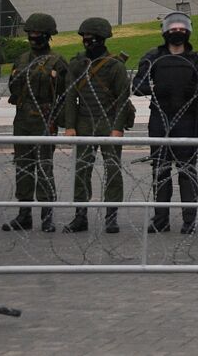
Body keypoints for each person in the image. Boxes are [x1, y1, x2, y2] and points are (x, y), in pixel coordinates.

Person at [135, 12, 198, 234]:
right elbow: (138, 83)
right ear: (165, 31)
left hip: (188, 118)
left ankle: (189, 219)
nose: (177, 31)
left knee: (186, 170)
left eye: (181, 28)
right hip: (160, 117)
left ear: (187, 31)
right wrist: (148, 88)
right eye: (173, 28)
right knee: (160, 170)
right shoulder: (153, 56)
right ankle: (161, 218)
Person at [61, 17, 133, 234]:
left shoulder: (114, 66)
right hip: (83, 120)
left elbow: (122, 98)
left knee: (112, 169)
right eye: (84, 38)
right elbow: (70, 96)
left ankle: (111, 216)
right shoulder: (76, 64)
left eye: (91, 38)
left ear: (102, 39)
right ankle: (80, 215)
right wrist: (69, 126)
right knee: (82, 169)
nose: (87, 42)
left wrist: (117, 128)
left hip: (109, 121)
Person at [3, 12, 68, 233]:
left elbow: (65, 93)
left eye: (38, 33)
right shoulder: (21, 60)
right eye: (30, 33)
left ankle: (47, 216)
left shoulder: (58, 62)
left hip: (44, 118)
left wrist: (59, 120)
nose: (33, 37)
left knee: (44, 168)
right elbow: (13, 87)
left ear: (47, 35)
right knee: (23, 168)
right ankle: (24, 215)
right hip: (22, 119)